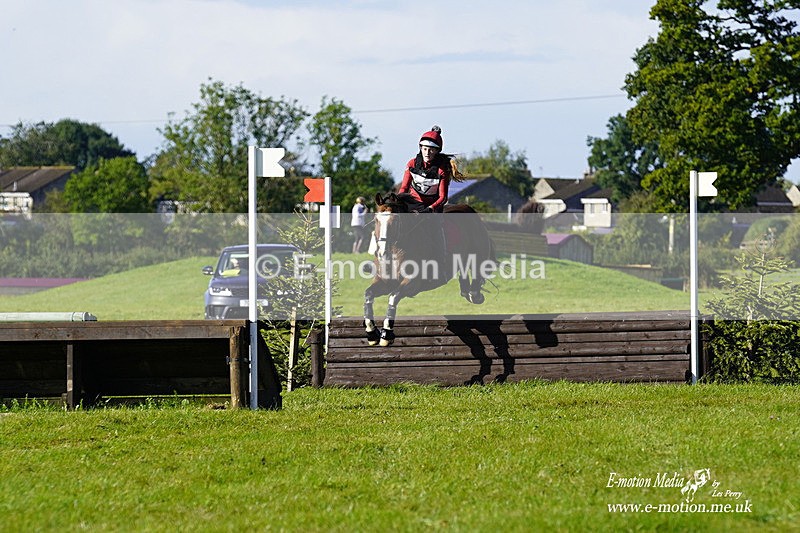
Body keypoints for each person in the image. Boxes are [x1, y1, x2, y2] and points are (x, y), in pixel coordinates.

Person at [397, 125, 462, 279]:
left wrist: (431, 209)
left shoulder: (441, 170)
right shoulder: (412, 164)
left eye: (431, 150)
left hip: (432, 207)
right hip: (413, 203)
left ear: (437, 151)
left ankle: (441, 260)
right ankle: (379, 259)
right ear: (420, 148)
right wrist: (398, 201)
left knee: (436, 229)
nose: (427, 152)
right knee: (392, 223)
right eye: (425, 149)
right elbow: (404, 188)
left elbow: (443, 197)